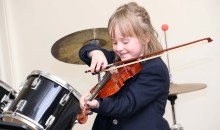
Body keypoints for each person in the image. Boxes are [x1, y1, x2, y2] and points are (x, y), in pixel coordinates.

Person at [78, 2, 170, 130]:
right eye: (114, 42)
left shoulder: (155, 69)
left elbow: (126, 105)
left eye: (125, 41)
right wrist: (96, 53)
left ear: (145, 38)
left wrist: (98, 104)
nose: (119, 48)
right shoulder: (117, 59)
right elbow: (84, 50)